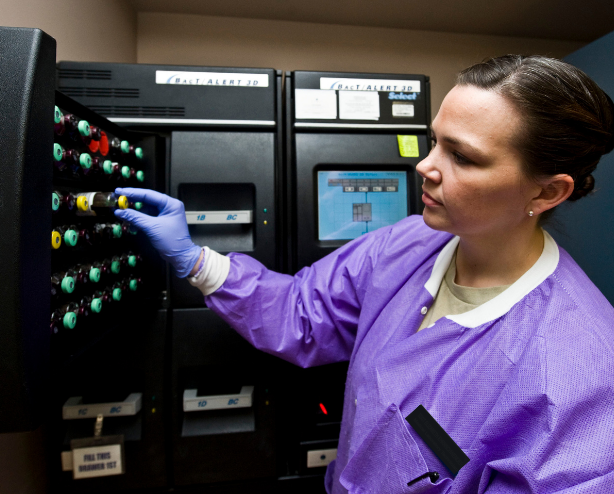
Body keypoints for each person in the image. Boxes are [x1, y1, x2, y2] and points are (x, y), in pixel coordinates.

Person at [115, 55, 614, 493]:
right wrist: (198, 262)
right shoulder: (409, 243)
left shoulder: (580, 372)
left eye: (461, 157)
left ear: (547, 193)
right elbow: (301, 313)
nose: (424, 165)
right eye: (433, 141)